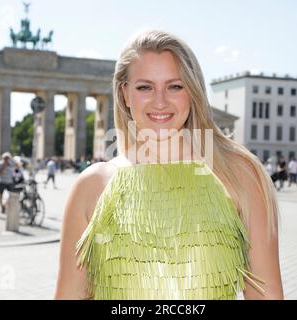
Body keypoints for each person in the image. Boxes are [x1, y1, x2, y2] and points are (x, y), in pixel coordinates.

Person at [55, 30, 283, 300]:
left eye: (175, 86)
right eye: (145, 87)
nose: (160, 101)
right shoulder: (92, 186)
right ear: (125, 94)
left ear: (193, 91)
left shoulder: (239, 174)